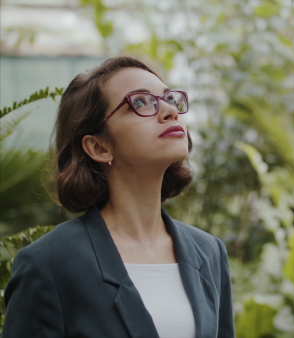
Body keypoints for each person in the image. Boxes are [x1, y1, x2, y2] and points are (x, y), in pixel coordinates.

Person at [2, 56, 235, 337]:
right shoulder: (49, 264)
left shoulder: (209, 252)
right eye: (140, 102)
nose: (170, 111)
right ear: (99, 147)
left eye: (170, 99)